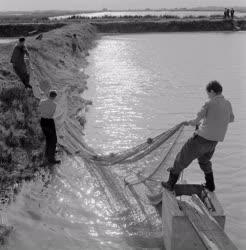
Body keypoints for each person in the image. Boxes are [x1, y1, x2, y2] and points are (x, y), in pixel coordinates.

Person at [162, 81, 234, 192]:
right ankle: (210, 185)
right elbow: (231, 119)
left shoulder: (209, 103)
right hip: (213, 143)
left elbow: (197, 120)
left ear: (212, 91)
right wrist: (215, 122)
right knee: (204, 161)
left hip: (200, 140)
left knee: (181, 159)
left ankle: (170, 184)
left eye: (208, 93)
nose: (208, 95)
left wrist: (188, 122)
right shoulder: (228, 103)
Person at [39, 90, 61, 164]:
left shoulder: (42, 102)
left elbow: (39, 110)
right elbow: (55, 114)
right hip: (49, 122)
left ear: (49, 95)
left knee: (47, 137)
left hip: (42, 121)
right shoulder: (55, 104)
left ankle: (48, 152)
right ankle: (51, 158)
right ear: (54, 97)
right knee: (53, 140)